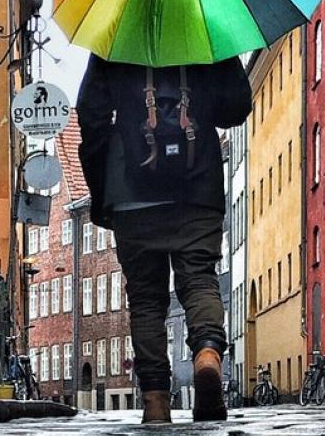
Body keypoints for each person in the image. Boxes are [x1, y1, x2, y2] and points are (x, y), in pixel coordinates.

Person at [76, 54, 252, 424]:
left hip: (131, 188)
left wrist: (102, 187)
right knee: (200, 278)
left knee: (145, 298)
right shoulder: (206, 24)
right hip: (198, 183)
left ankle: (156, 399)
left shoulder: (115, 35)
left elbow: (90, 116)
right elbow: (236, 106)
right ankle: (206, 353)